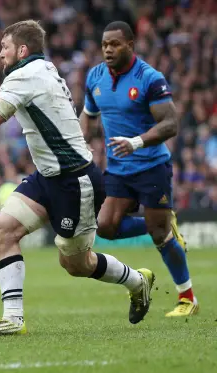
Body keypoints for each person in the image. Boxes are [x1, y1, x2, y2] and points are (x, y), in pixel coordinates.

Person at [0, 20, 154, 336]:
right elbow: (35, 103)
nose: (0, 54)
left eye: (5, 47)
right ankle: (13, 318)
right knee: (2, 231)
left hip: (75, 182)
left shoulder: (24, 76)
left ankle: (137, 281)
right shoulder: (42, 69)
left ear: (22, 50)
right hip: (48, 177)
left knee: (77, 265)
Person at [80, 21, 196, 317]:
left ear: (130, 45)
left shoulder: (149, 78)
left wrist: (137, 141)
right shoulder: (95, 77)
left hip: (151, 166)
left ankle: (187, 299)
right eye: (105, 44)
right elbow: (88, 115)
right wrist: (80, 145)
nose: (108, 49)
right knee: (105, 227)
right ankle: (164, 221)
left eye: (115, 44)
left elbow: (171, 124)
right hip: (118, 170)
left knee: (160, 236)